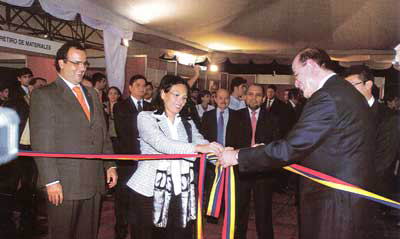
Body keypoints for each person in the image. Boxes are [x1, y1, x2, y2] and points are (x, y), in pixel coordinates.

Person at [219, 48, 380, 239]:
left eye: (296, 75)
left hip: (334, 203)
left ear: (311, 66)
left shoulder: (327, 97)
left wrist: (237, 156)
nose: (296, 82)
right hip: (346, 199)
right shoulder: (342, 91)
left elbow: (291, 148)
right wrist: (264, 150)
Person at [30, 41, 117, 239]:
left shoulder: (92, 94)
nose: (82, 69)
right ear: (61, 63)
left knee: (88, 234)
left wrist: (110, 164)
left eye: (85, 64)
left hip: (93, 181)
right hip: (64, 183)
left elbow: (101, 133)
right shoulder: (45, 95)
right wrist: (51, 180)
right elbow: (42, 141)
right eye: (76, 63)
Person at [126, 74, 224, 239]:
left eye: (185, 97)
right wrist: (200, 147)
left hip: (180, 191)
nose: (181, 101)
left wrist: (222, 153)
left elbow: (203, 143)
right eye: (176, 95)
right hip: (148, 192)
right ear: (163, 94)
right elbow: (163, 144)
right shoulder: (146, 118)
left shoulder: (187, 122)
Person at [235, 84, 281, 239]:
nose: (254, 98)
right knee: (239, 211)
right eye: (250, 94)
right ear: (245, 96)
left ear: (263, 98)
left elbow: (276, 146)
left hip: (263, 172)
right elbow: (230, 142)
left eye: (258, 95)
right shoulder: (235, 116)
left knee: (264, 213)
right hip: (241, 170)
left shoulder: (273, 118)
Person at [113, 74, 152, 239]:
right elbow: (125, 132)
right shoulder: (120, 106)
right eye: (138, 85)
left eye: (144, 86)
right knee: (123, 198)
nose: (142, 88)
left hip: (147, 160)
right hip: (128, 158)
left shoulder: (151, 107)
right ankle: (120, 232)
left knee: (142, 199)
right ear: (130, 87)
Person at [104, 86, 122, 152]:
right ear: (107, 95)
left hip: (118, 134)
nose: (113, 95)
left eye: (115, 93)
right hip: (106, 134)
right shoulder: (103, 105)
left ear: (119, 95)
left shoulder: (122, 106)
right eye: (110, 93)